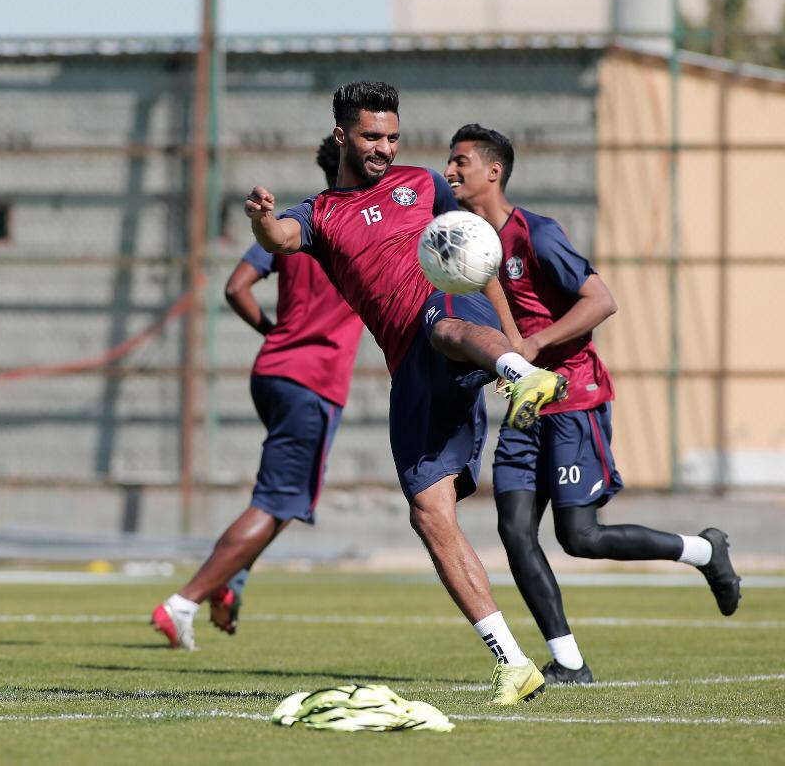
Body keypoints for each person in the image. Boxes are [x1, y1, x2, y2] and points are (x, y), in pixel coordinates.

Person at [245, 81, 567, 706]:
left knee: (440, 323)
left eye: (393, 136)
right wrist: (261, 217)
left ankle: (520, 377)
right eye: (372, 137)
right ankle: (512, 661)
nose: (385, 148)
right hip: (411, 366)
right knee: (429, 514)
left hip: (452, 318)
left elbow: (481, 257)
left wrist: (515, 343)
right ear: (342, 135)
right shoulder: (319, 214)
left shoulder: (424, 184)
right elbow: (279, 240)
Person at [445, 123, 742, 684]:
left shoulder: (538, 233)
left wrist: (536, 343)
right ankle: (569, 663)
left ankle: (704, 551)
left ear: (494, 171)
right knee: (514, 532)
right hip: (526, 404)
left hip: (574, 396)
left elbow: (601, 300)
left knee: (579, 537)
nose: (450, 171)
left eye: (460, 161)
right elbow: (507, 322)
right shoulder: (475, 247)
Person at [152, 137, 364, 651]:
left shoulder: (295, 221)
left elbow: (235, 287)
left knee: (279, 497)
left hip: (272, 372)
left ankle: (232, 581)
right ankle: (183, 603)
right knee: (277, 500)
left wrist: (273, 332)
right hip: (313, 380)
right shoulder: (362, 227)